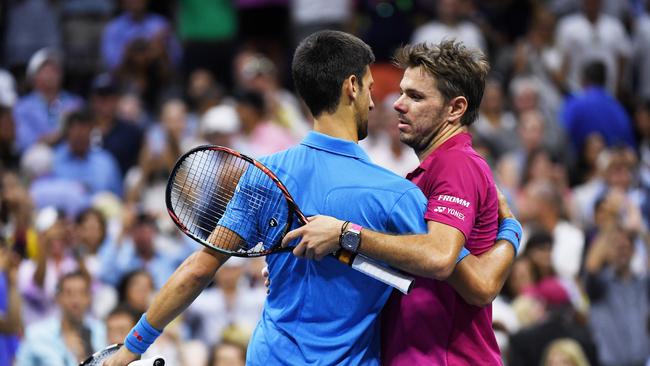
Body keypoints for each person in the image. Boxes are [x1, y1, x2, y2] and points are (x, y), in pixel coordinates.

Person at [105, 31, 518, 366]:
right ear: (352, 87)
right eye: (373, 89)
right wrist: (511, 228)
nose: (380, 103)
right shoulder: (397, 194)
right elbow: (465, 276)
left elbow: (197, 270)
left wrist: (130, 349)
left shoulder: (262, 174)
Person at [283, 40, 518, 364]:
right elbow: (459, 279)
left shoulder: (457, 165)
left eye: (416, 96)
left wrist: (345, 234)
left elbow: (439, 258)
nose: (398, 104)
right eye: (403, 91)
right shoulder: (423, 175)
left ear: (455, 108)